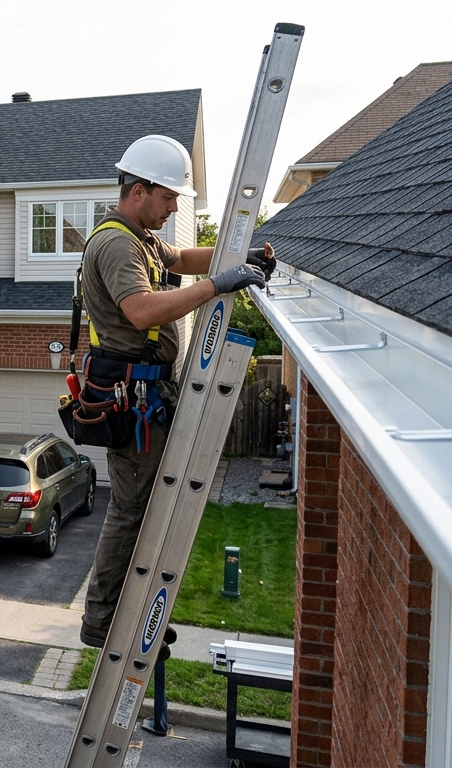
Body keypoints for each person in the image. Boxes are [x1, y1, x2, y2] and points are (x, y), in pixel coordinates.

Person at [77, 135, 275, 659]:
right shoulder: (117, 244)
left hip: (147, 393)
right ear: (138, 190)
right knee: (131, 510)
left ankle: (135, 609)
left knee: (149, 509)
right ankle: (103, 619)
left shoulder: (139, 238)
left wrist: (241, 257)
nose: (172, 209)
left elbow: (184, 257)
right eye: (168, 198)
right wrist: (220, 284)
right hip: (133, 399)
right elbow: (142, 310)